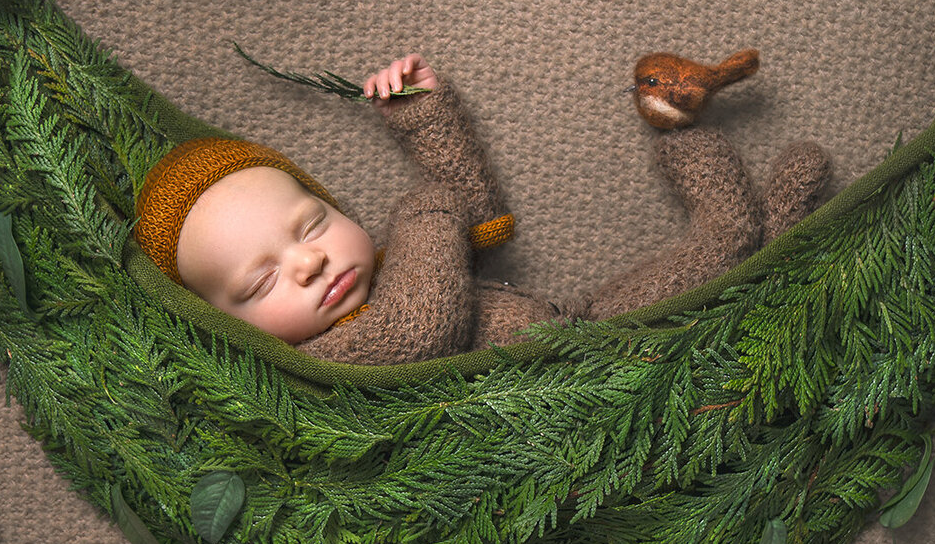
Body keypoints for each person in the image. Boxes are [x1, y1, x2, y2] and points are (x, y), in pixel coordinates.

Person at [133, 49, 831, 364]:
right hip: (574, 383)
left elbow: (478, 219)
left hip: (581, 328)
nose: (311, 261)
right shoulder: (332, 355)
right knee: (714, 293)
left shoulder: (393, 259)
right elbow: (422, 325)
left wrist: (421, 115)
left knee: (709, 259)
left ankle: (705, 164)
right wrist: (423, 215)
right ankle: (769, 230)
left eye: (311, 223)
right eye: (264, 281)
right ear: (231, 326)